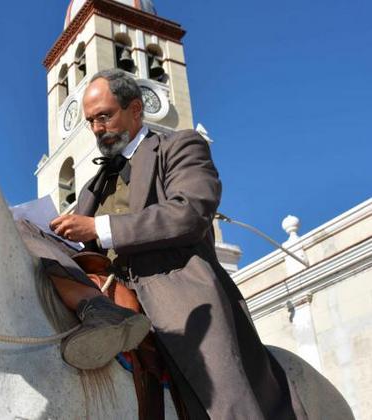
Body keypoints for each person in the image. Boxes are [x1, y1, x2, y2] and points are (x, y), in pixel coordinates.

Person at [22, 69, 302, 419]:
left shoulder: (180, 145)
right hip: (105, 292)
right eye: (91, 121)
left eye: (104, 116)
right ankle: (99, 314)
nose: (96, 129)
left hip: (174, 289)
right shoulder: (93, 185)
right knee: (24, 232)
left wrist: (99, 226)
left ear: (135, 109)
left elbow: (191, 211)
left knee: (222, 397)